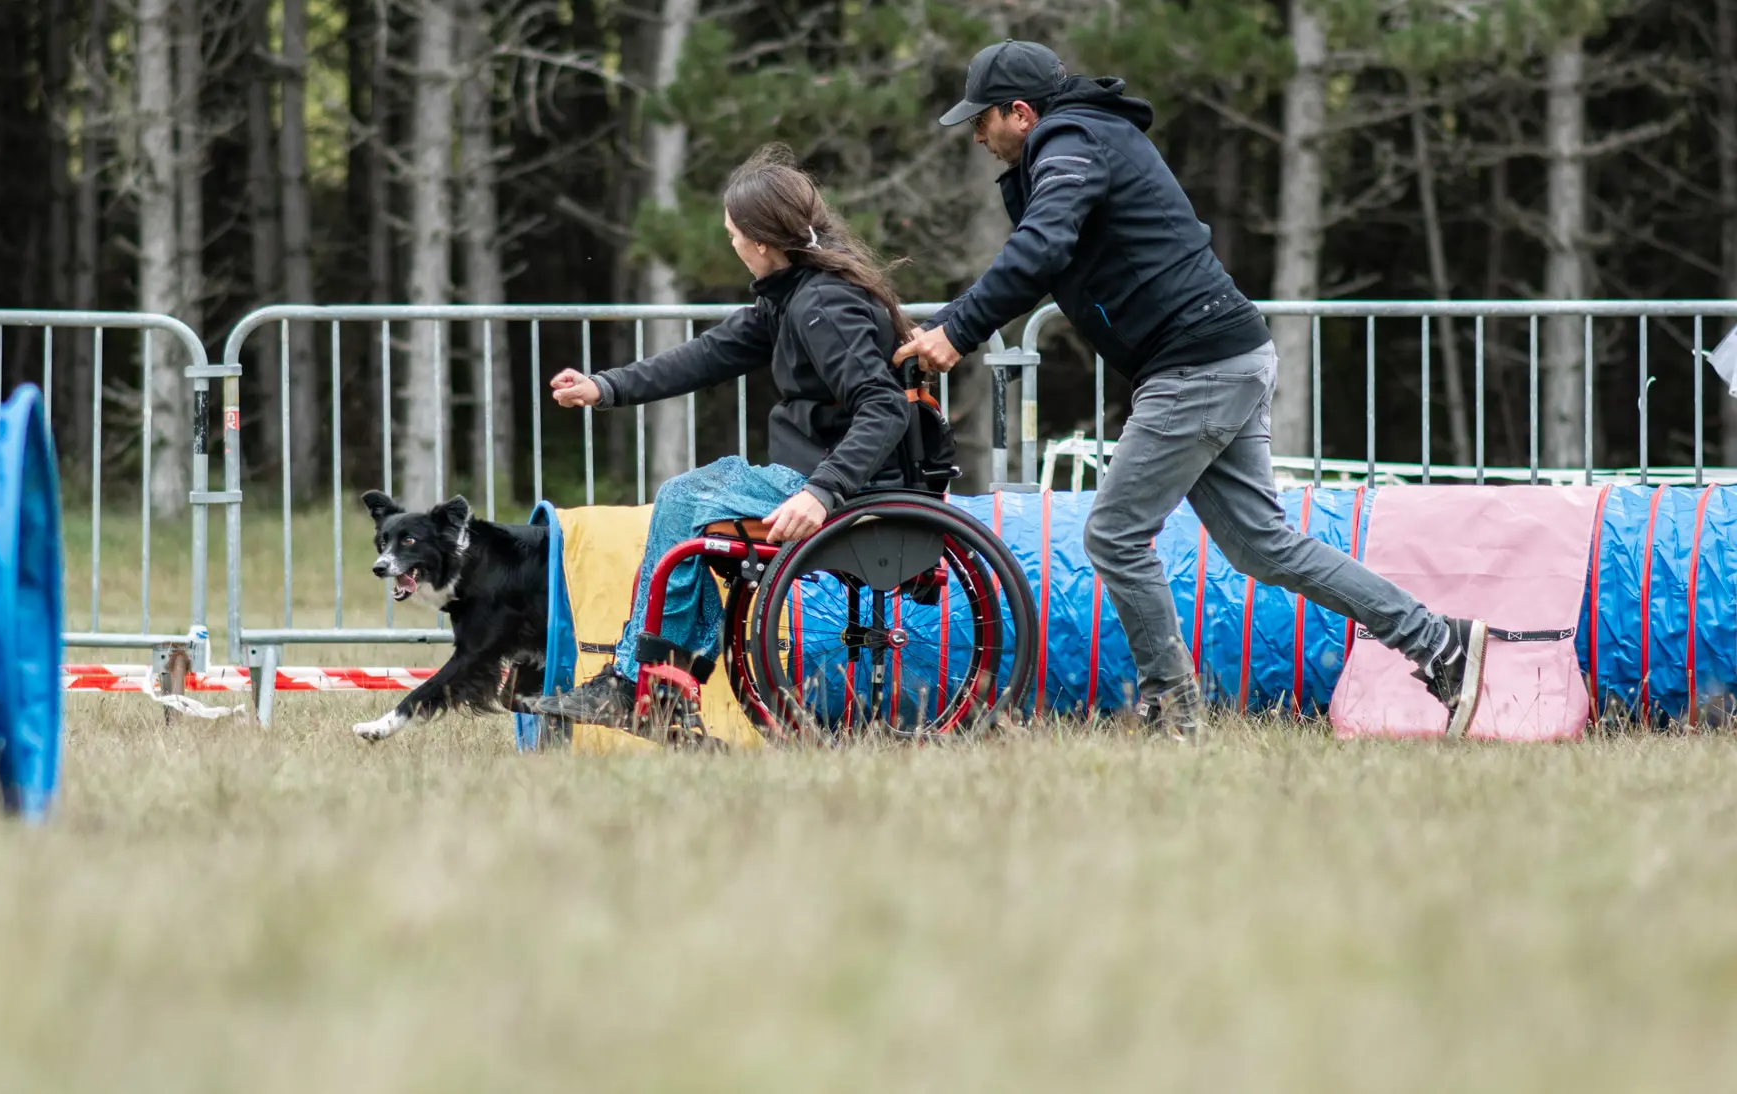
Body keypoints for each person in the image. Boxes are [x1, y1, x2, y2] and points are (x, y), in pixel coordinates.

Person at [895, 38, 1490, 739]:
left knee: (1115, 534)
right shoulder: (1077, 140)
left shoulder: (1071, 141)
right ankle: (1440, 643)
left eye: (982, 119)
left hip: (1198, 366)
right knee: (1265, 547)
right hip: (1222, 355)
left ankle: (1172, 709)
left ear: (1021, 113)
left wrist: (957, 329)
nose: (975, 134)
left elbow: (1042, 245)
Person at [526, 144, 924, 730]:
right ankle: (661, 684)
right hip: (812, 474)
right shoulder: (793, 295)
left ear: (762, 241)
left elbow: (884, 409)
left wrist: (821, 492)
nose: (731, 243)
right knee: (687, 496)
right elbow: (704, 356)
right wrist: (603, 387)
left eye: (734, 233)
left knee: (686, 499)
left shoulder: (822, 305)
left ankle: (649, 682)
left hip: (841, 486)